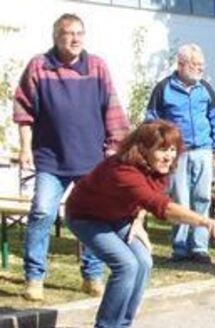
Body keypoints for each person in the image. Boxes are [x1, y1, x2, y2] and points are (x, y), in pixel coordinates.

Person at [65, 120, 215, 328]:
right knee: (126, 264)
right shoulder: (124, 171)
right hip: (86, 217)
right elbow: (162, 206)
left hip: (119, 215)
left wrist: (138, 220)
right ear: (142, 149)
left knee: (143, 261)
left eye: (173, 150)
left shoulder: (157, 170)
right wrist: (205, 222)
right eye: (162, 149)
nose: (169, 156)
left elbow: (147, 199)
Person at [13, 13, 129, 301]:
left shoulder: (97, 66)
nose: (75, 39)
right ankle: (35, 278)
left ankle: (92, 276)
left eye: (80, 33)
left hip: (92, 160)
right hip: (51, 159)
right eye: (68, 33)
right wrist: (25, 148)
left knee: (93, 217)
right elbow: (23, 112)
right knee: (42, 213)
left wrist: (115, 149)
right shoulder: (39, 66)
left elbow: (112, 110)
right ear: (56, 37)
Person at [146, 43, 215, 264]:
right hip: (176, 154)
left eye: (202, 65)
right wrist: (159, 149)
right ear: (181, 64)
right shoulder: (163, 88)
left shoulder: (205, 89)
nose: (201, 69)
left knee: (203, 198)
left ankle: (200, 247)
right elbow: (151, 121)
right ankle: (180, 248)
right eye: (196, 64)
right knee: (180, 200)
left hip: (203, 151)